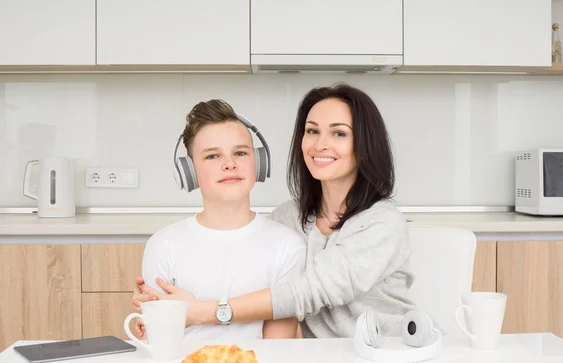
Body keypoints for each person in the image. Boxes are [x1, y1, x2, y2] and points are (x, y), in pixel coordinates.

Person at [133, 83, 415, 339]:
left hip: (389, 353)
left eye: (339, 133)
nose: (320, 144)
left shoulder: (382, 222)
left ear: (364, 144)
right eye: (312, 131)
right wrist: (154, 313)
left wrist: (197, 312)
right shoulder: (287, 220)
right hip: (325, 361)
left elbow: (307, 292)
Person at [133, 98, 306, 341]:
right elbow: (161, 340)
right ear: (190, 171)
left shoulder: (288, 245)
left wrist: (194, 312)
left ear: (259, 163)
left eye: (240, 152)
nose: (230, 164)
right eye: (213, 156)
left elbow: (277, 349)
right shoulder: (164, 245)